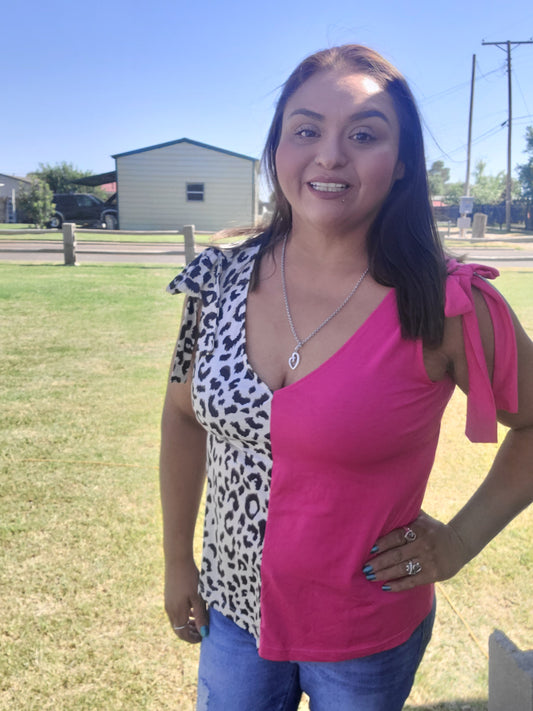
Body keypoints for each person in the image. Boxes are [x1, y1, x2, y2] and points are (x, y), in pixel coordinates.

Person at [159, 44, 533, 711]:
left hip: (364, 635)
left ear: (402, 164)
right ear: (278, 148)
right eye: (306, 130)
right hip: (230, 617)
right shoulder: (213, 283)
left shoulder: (446, 303)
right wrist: (177, 560)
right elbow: (183, 416)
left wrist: (460, 539)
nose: (330, 154)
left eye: (363, 134)